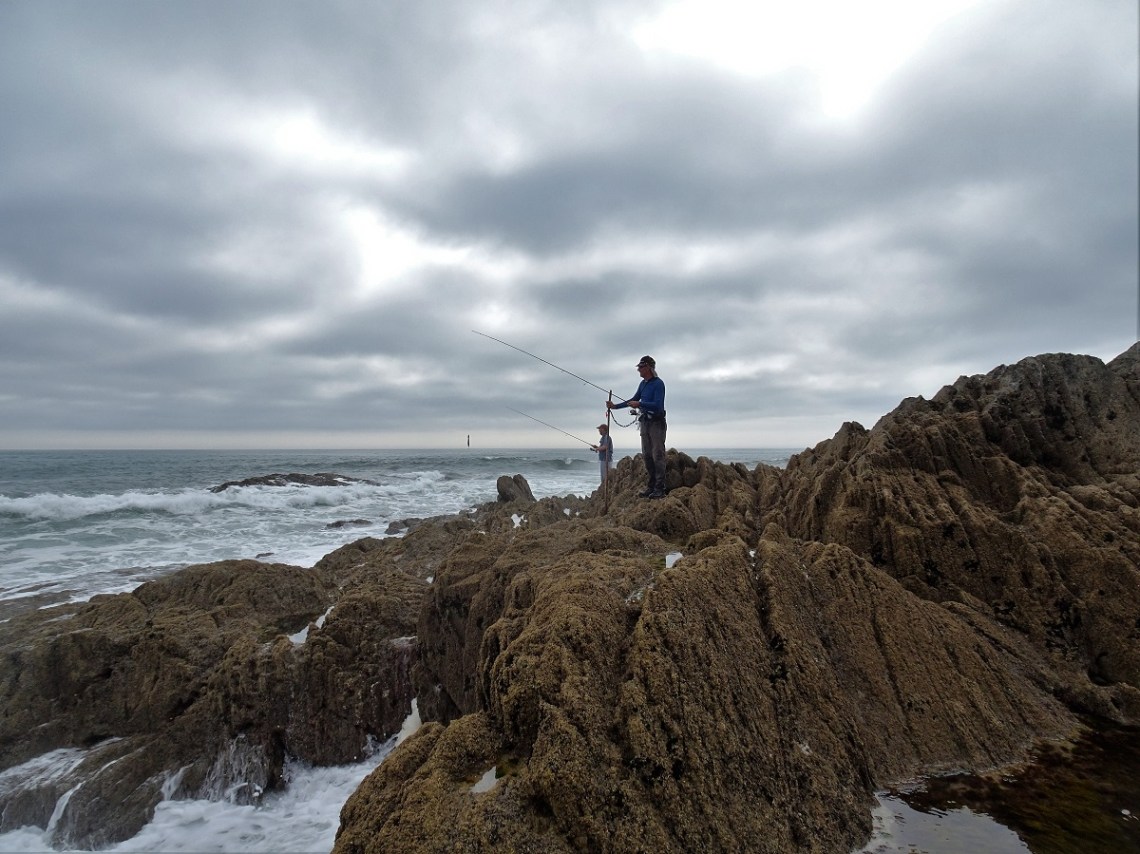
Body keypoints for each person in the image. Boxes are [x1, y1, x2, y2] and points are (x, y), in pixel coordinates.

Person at [607, 355, 666, 498]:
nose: (638, 370)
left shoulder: (658, 384)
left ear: (648, 367)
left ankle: (660, 488)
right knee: (647, 456)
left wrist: (640, 404)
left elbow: (658, 405)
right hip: (645, 422)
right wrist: (615, 407)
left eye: (640, 367)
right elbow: (633, 400)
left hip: (657, 423)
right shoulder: (643, 384)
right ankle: (651, 487)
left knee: (657, 455)